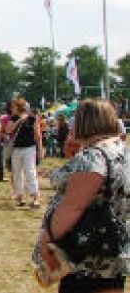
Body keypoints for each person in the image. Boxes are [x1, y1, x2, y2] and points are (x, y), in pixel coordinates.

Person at [34, 100, 130, 292]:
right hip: (112, 247)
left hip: (85, 252)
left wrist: (47, 239)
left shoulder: (94, 157)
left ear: (85, 122)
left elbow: (73, 206)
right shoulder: (122, 151)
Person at [7, 98, 43, 208]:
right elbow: (8, 130)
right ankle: (19, 197)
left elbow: (37, 135)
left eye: (13, 107)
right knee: (17, 173)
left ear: (18, 107)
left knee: (30, 171)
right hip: (16, 149)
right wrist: (19, 120)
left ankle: (35, 197)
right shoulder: (13, 118)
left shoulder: (32, 118)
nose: (11, 109)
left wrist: (40, 149)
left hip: (29, 148)